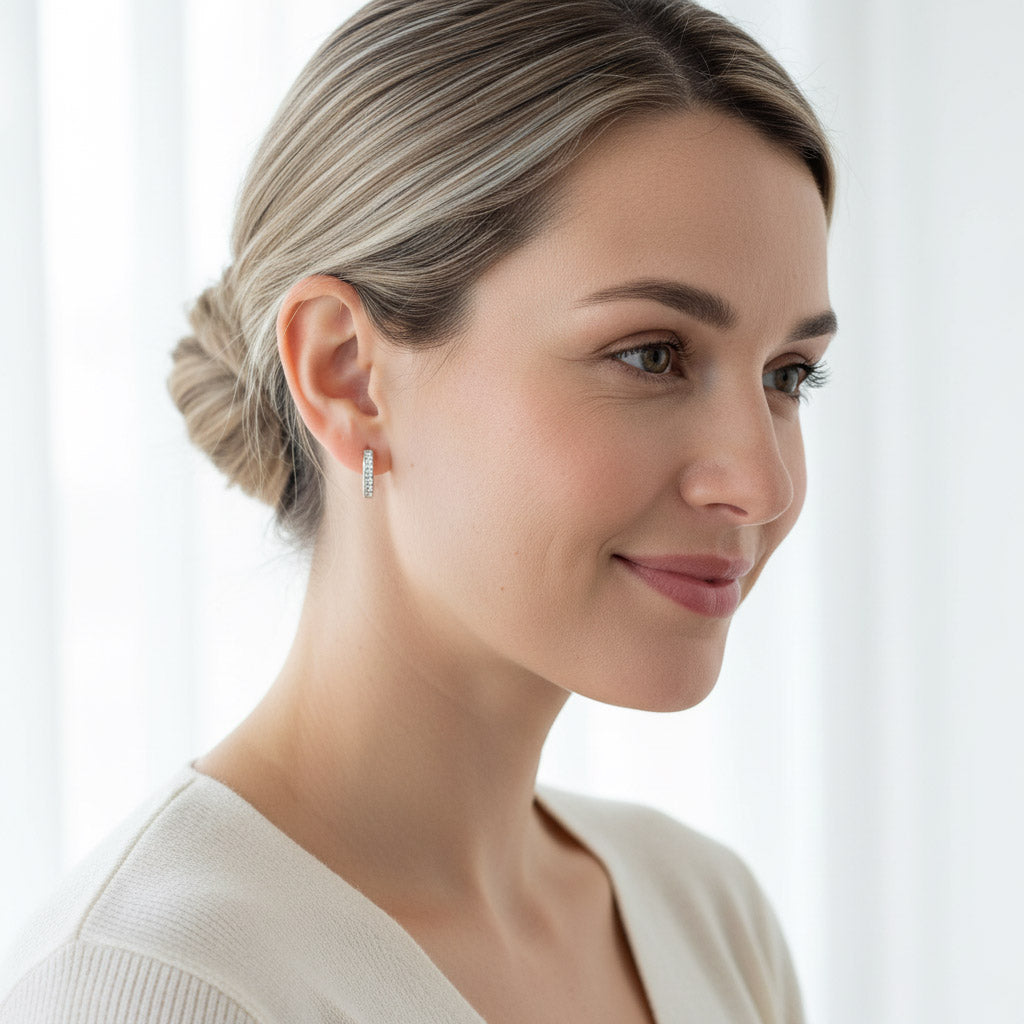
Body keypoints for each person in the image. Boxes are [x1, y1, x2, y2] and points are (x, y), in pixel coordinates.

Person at [0, 1, 836, 1021]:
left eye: (789, 375)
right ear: (349, 377)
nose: (760, 483)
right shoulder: (154, 987)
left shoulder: (707, 912)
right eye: (649, 355)